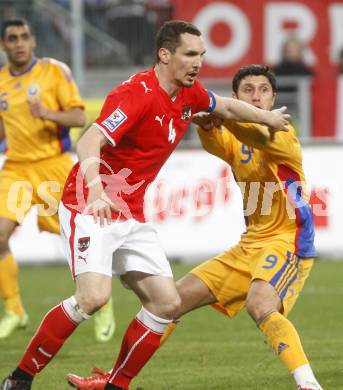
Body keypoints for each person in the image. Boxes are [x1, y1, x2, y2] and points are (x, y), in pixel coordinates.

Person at [0, 22, 289, 390]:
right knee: (93, 297)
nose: (198, 62)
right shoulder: (135, 94)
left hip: (130, 212)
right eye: (190, 54)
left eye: (201, 55)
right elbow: (89, 140)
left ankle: (116, 385)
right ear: (165, 55)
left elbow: (227, 107)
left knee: (166, 304)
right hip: (89, 206)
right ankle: (20, 379)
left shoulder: (189, 93)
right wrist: (95, 188)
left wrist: (268, 118)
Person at [67, 65, 323, 390]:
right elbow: (217, 144)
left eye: (263, 90)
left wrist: (220, 114)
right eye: (248, 91)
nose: (256, 96)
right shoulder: (237, 138)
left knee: (260, 305)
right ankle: (115, 380)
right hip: (249, 245)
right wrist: (206, 122)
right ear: (236, 97)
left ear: (274, 98)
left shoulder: (280, 132)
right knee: (170, 301)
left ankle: (308, 384)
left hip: (288, 240)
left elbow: (253, 132)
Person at [0, 18, 115, 344]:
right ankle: (14, 309)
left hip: (54, 166)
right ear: (3, 45)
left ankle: (101, 302)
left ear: (33, 40)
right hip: (16, 169)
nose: (19, 43)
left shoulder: (54, 71)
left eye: (24, 36)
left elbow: (79, 117)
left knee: (76, 241)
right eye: (12, 38)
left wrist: (48, 114)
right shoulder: (0, 82)